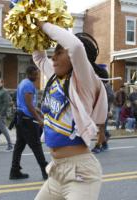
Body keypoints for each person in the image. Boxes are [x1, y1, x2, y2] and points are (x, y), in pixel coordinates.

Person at [33, 22, 107, 200]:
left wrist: (42, 24)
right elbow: (40, 58)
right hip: (57, 171)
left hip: (81, 175)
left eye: (59, 52)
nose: (54, 58)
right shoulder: (56, 75)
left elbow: (74, 46)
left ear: (75, 59)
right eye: (54, 53)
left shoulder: (85, 82)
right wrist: (32, 29)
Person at [9, 66, 48, 180]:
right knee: (36, 145)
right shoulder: (28, 85)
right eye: (36, 74)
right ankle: (45, 171)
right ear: (30, 74)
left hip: (21, 119)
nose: (37, 76)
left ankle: (14, 171)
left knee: (19, 146)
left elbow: (30, 105)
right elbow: (29, 105)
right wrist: (39, 120)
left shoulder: (23, 83)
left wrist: (39, 111)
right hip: (27, 121)